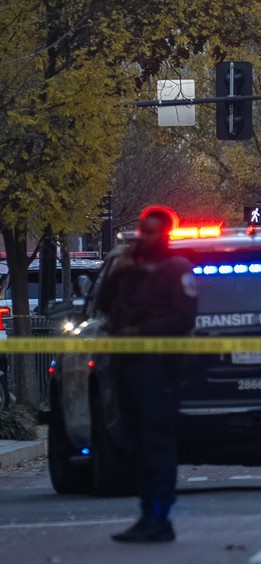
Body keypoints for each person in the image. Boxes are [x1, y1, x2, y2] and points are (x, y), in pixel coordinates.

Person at [94, 206, 199, 543]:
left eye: (151, 232)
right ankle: (146, 514)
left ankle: (159, 517)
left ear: (165, 234)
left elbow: (182, 318)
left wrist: (140, 332)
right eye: (142, 230)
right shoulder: (131, 269)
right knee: (135, 442)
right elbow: (106, 306)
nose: (144, 237)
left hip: (157, 368)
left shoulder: (175, 269)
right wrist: (118, 273)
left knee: (156, 443)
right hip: (127, 365)